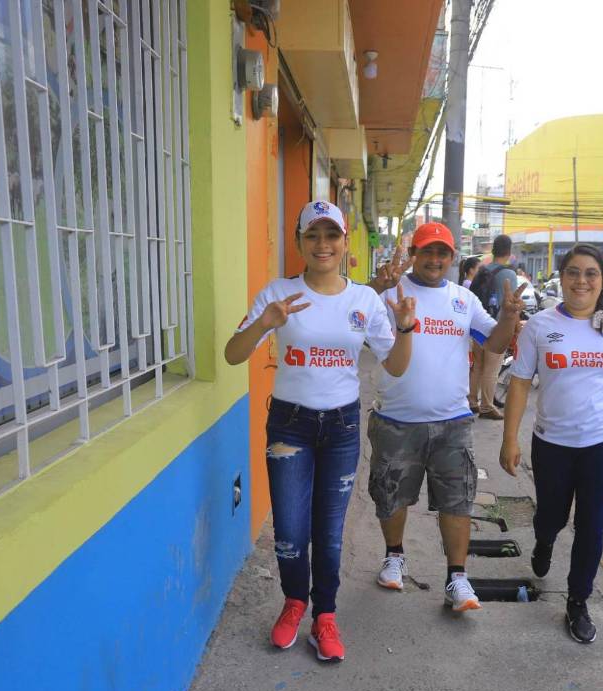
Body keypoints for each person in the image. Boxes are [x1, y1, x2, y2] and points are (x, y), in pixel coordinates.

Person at [225, 200, 416, 662]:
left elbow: (395, 365)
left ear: (345, 243)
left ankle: (324, 616)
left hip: (342, 426)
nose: (323, 244)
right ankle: (294, 603)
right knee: (290, 528)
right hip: (290, 424)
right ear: (299, 243)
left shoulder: (364, 301)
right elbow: (233, 354)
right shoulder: (278, 293)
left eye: (332, 236)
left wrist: (406, 328)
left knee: (329, 531)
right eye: (313, 236)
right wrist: (265, 325)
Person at [367, 222, 526, 610]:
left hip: (453, 422)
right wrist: (375, 288)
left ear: (452, 258)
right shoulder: (392, 294)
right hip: (396, 421)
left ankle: (457, 579)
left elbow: (496, 342)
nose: (434, 259)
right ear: (414, 255)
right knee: (391, 495)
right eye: (427, 251)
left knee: (458, 501)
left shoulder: (463, 300)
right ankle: (394, 557)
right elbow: (355, 321)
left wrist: (508, 316)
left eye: (442, 253)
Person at [499, 243, 603, 644]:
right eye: (573, 272)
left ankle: (578, 600)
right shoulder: (539, 326)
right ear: (561, 277)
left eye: (591, 274)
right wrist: (509, 439)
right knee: (551, 515)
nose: (581, 281)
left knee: (591, 524)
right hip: (552, 443)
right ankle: (545, 539)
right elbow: (518, 384)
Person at [468, 235, 520, 418]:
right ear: (509, 251)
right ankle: (487, 406)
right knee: (492, 368)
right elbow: (511, 305)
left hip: (477, 326)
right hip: (495, 328)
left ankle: (472, 401)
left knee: (478, 366)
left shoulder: (482, 270)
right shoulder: (509, 274)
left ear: (493, 250)